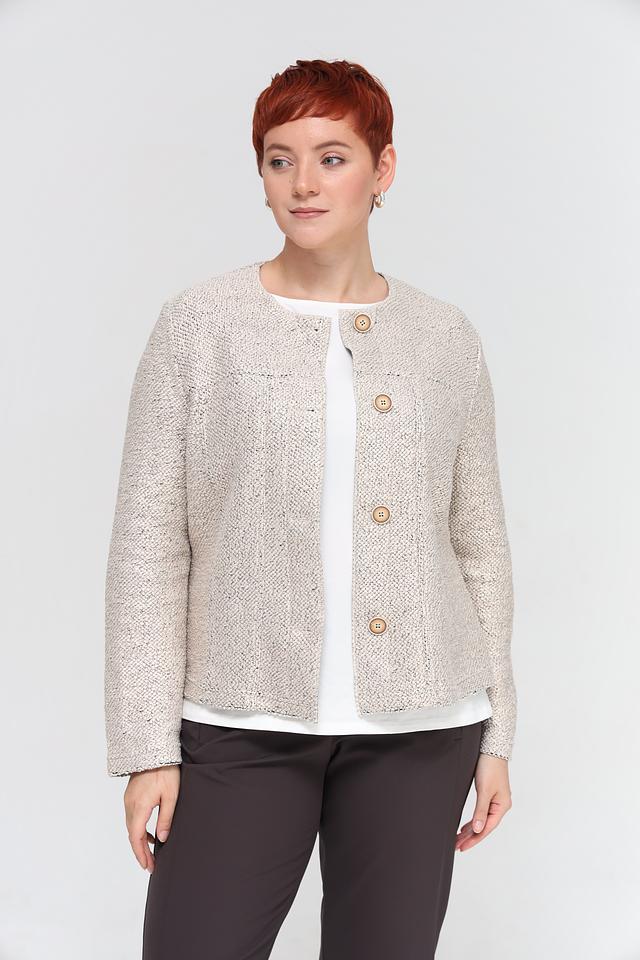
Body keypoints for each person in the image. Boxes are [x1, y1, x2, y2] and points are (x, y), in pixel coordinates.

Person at [104, 58, 517, 959]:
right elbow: (148, 545)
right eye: (280, 159)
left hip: (421, 729)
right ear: (260, 175)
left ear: (383, 169)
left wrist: (497, 735)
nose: (303, 183)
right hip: (240, 720)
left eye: (333, 157)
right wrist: (146, 747)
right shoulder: (198, 326)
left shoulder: (445, 338)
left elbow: (478, 544)